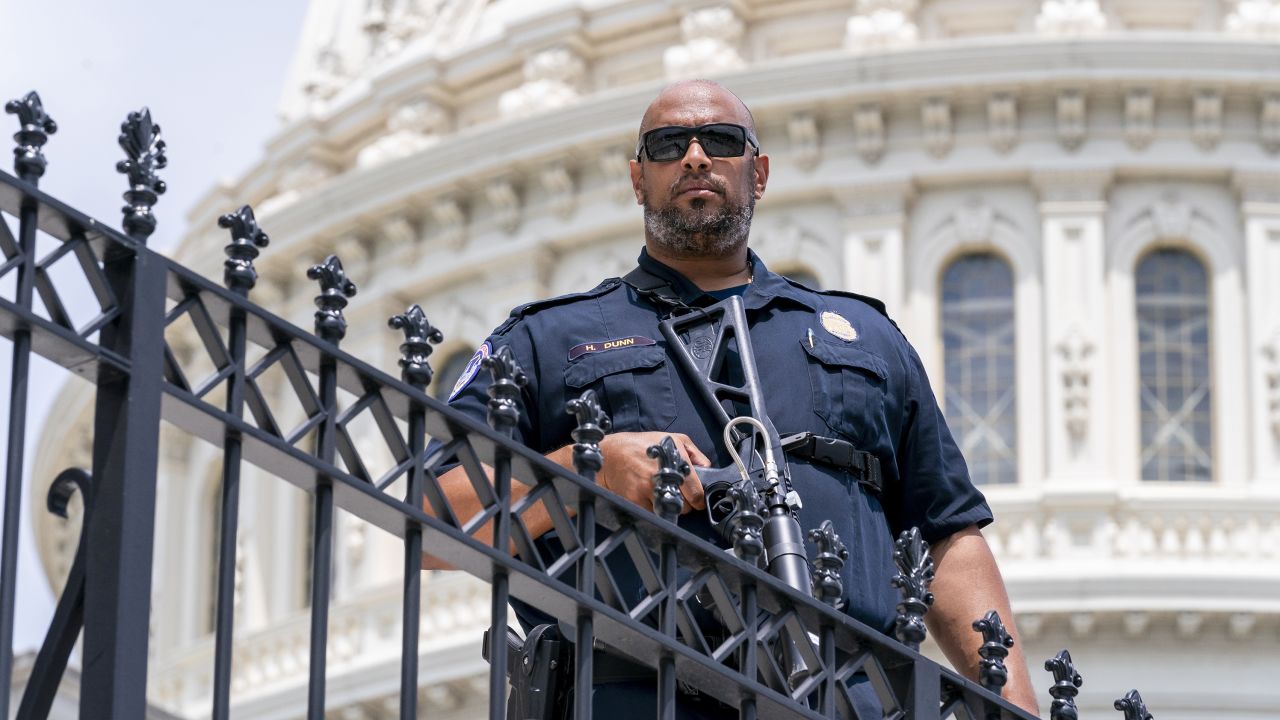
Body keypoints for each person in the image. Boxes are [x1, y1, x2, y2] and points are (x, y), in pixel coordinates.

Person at [424, 79, 1039, 717]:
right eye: (668, 145)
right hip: (631, 693)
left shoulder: (867, 337)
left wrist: (1016, 705)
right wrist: (586, 471)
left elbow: (945, 536)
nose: (695, 157)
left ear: (759, 172)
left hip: (848, 696)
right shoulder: (547, 338)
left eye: (720, 141)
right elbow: (431, 518)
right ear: (638, 178)